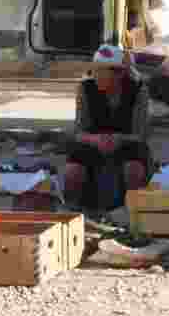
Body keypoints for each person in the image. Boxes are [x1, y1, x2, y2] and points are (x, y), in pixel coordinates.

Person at [65, 45, 152, 210]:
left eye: (102, 72)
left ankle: (133, 211)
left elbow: (141, 134)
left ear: (119, 73)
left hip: (127, 142)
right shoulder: (85, 88)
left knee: (134, 170)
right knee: (72, 171)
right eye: (95, 71)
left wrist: (118, 139)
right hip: (92, 142)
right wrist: (95, 139)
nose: (96, 76)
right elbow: (78, 131)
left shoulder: (139, 90)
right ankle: (73, 211)